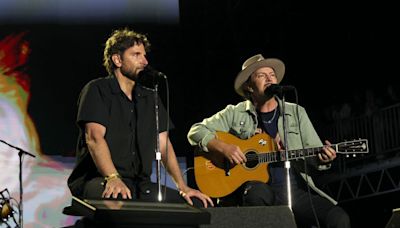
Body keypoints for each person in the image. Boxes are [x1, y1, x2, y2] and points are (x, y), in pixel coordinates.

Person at [187, 54, 350, 227]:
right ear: (249, 86)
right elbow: (195, 131)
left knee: (339, 218)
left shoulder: (296, 113)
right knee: (256, 194)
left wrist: (323, 158)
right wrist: (224, 148)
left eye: (272, 75)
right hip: (256, 190)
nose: (269, 79)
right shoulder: (235, 113)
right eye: (261, 75)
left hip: (292, 190)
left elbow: (315, 153)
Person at [67, 28, 213, 208]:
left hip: (140, 184)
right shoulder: (98, 90)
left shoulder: (150, 97)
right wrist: (113, 178)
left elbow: (164, 144)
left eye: (144, 55)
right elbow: (94, 138)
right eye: (136, 55)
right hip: (99, 179)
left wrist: (183, 187)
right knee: (119, 200)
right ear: (117, 59)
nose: (145, 61)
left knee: (193, 204)